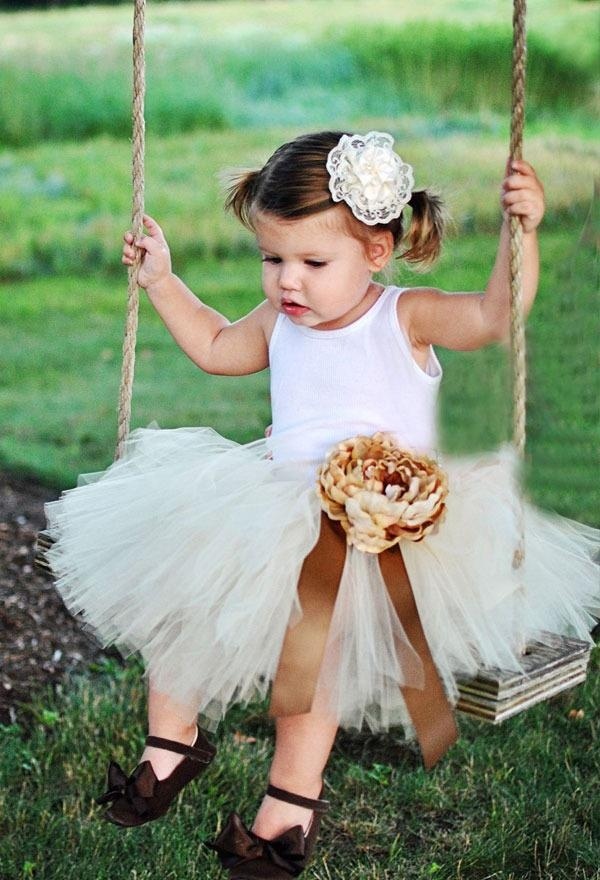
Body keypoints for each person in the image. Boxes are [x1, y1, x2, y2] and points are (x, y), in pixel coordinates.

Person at [45, 131, 600, 879]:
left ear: (376, 250)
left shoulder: (406, 317)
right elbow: (214, 346)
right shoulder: (279, 323)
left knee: (317, 664)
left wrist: (519, 233)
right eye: (273, 260)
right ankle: (171, 744)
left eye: (312, 262)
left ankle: (289, 805)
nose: (288, 283)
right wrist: (164, 283)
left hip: (376, 530)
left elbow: (496, 316)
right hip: (273, 508)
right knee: (179, 608)